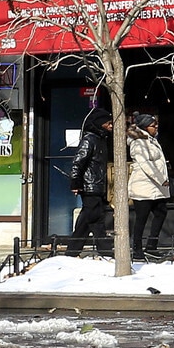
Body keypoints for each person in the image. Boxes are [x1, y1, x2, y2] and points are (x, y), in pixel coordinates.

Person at [66, 107, 113, 256]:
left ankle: (72, 252)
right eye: (108, 123)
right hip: (90, 186)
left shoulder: (101, 140)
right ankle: (104, 250)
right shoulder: (89, 139)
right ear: (100, 123)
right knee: (95, 218)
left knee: (88, 219)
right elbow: (78, 162)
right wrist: (76, 183)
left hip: (97, 186)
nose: (111, 126)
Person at [126, 113, 172, 259]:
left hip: (155, 187)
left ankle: (151, 245)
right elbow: (146, 164)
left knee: (161, 212)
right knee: (142, 218)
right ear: (145, 127)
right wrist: (161, 179)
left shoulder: (150, 140)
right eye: (153, 125)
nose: (156, 127)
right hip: (143, 186)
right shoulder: (138, 142)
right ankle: (137, 249)